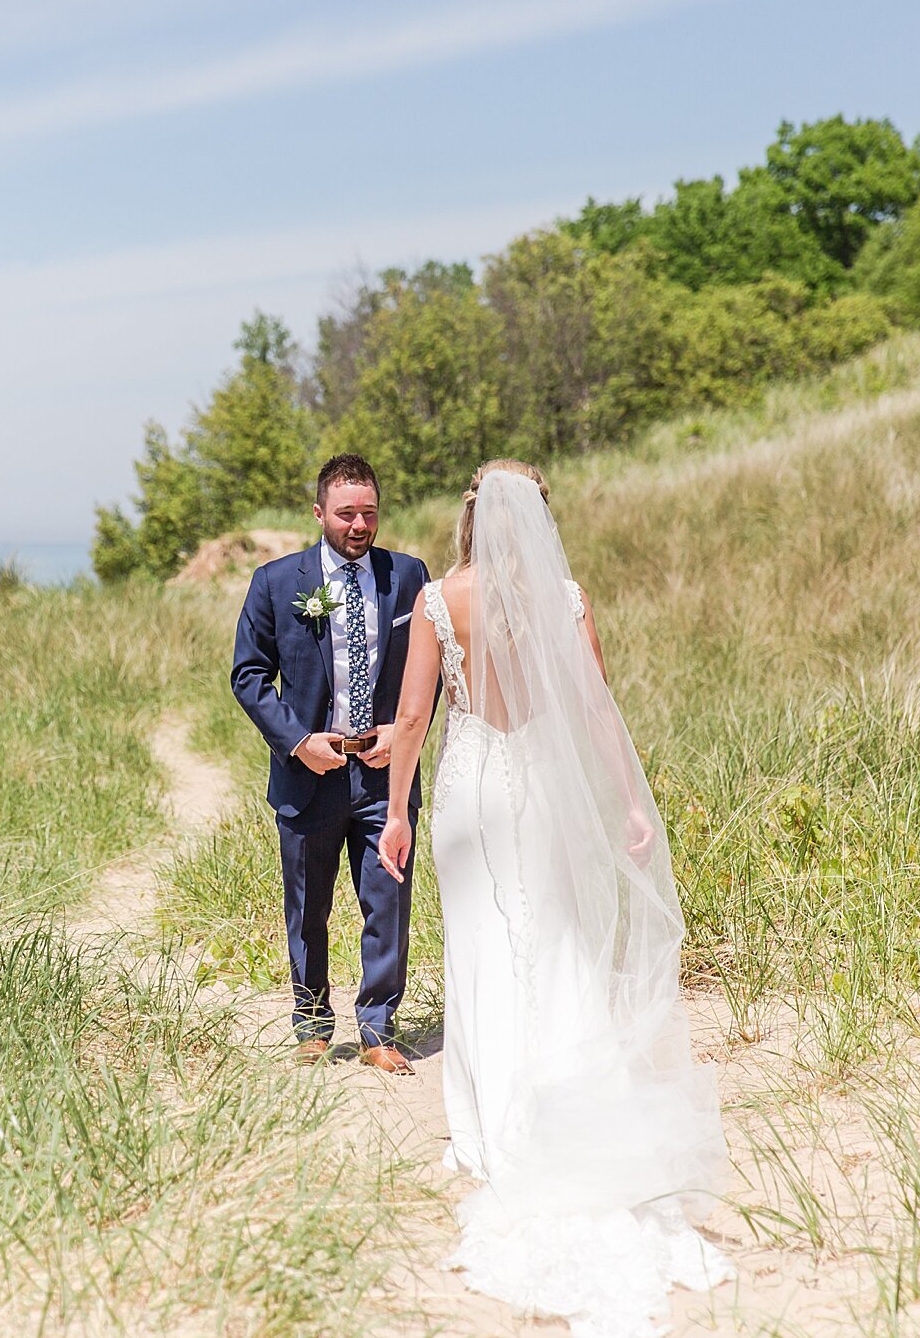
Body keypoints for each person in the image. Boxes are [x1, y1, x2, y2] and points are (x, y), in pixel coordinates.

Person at [378, 461, 732, 1336]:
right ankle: (569, 1097)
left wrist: (394, 810)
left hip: (472, 792)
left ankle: (488, 1127)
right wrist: (628, 804)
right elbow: (597, 707)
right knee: (561, 940)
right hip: (541, 780)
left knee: (481, 948)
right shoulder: (566, 597)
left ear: (470, 518)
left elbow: (414, 718)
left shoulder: (437, 600)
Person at [231, 453, 432, 1073]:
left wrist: (401, 736)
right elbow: (249, 675)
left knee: (386, 901)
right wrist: (298, 741)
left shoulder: (409, 577)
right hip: (309, 772)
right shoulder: (275, 582)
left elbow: (431, 666)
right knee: (308, 905)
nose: (359, 524)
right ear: (319, 513)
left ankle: (377, 1029)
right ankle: (313, 1022)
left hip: (384, 773)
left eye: (369, 512)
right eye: (346, 513)